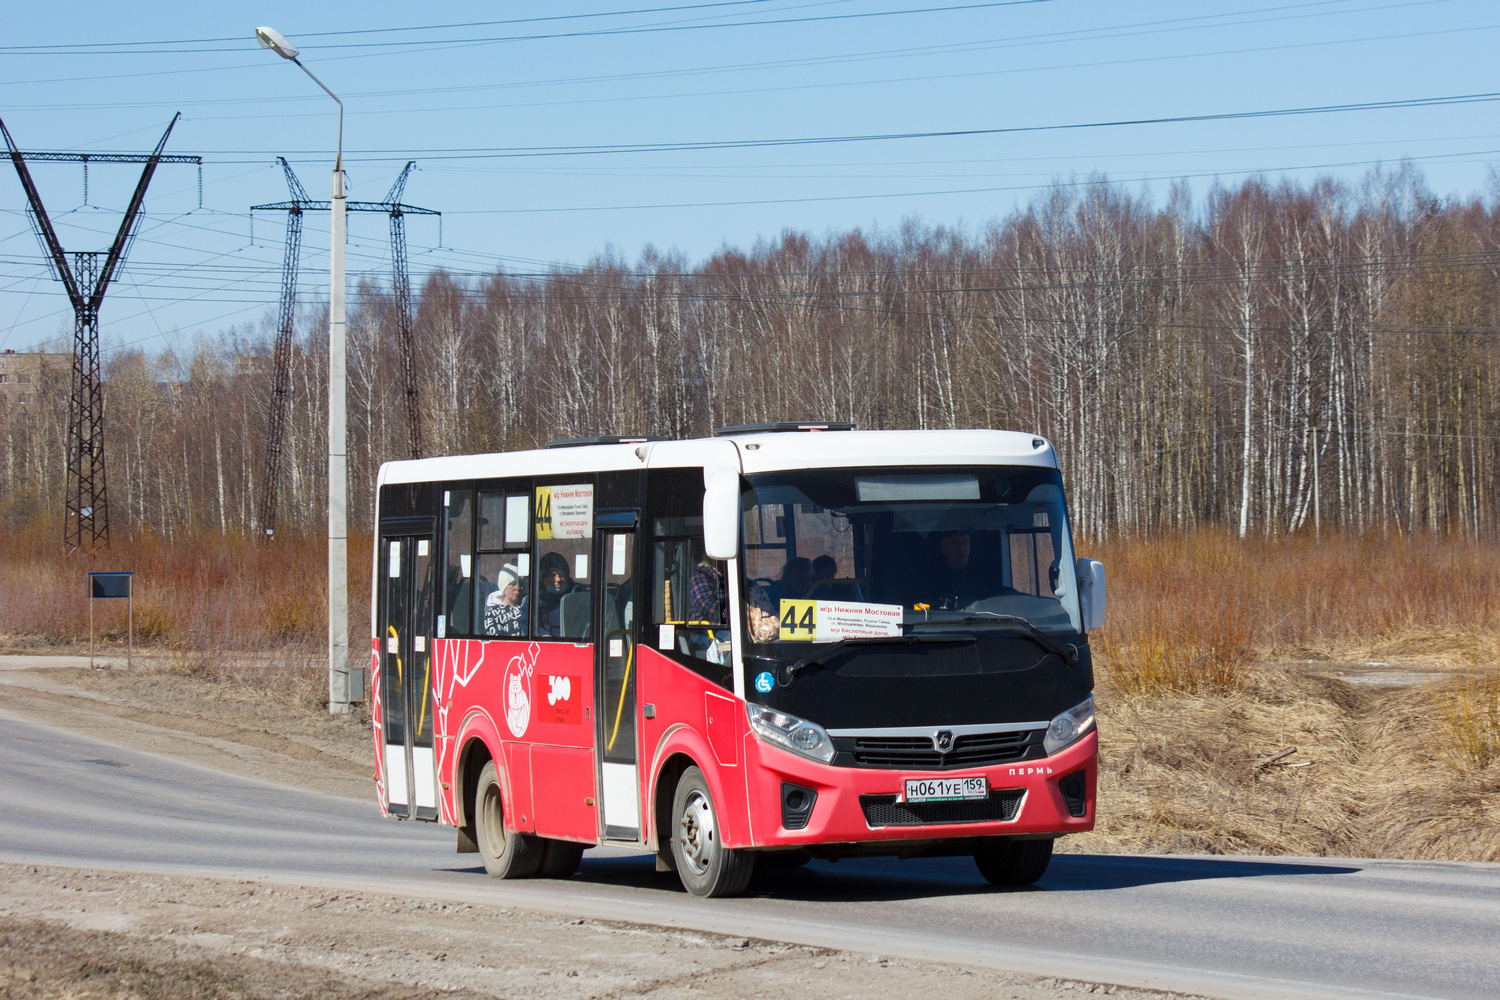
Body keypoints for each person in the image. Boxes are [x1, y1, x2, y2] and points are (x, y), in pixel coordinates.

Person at [535, 550, 581, 637]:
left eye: (561, 574)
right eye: (552, 575)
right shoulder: (535, 598)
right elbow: (527, 622)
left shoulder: (578, 594)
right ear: (543, 578)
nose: (558, 579)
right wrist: (544, 635)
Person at [482, 563, 526, 637]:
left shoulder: (527, 608)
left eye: (520, 584)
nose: (517, 588)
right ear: (503, 587)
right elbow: (497, 642)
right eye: (513, 584)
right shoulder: (493, 614)